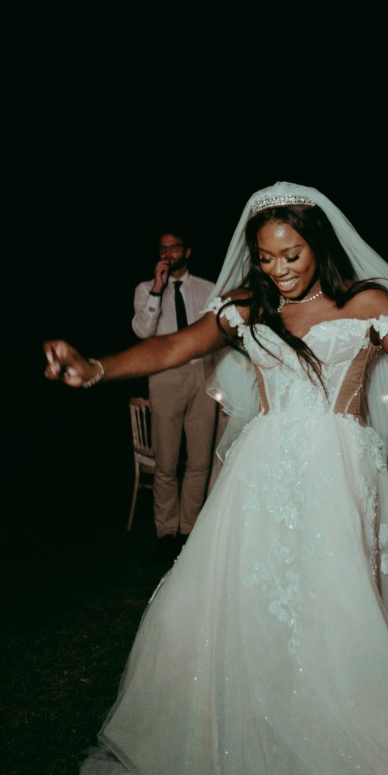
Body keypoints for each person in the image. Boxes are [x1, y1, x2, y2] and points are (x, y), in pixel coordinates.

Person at [46, 182, 388, 775]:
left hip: (341, 468)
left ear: (317, 244)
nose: (278, 270)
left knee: (339, 603)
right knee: (246, 600)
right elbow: (174, 346)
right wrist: (96, 369)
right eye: (267, 257)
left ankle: (337, 715)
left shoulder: (366, 302)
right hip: (262, 470)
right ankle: (258, 706)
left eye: (291, 256)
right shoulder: (248, 306)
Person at [131, 230, 217, 560]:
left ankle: (188, 530)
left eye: (175, 247)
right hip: (165, 377)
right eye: (163, 248)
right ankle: (166, 532)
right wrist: (157, 288)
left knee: (198, 460)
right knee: (166, 461)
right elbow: (142, 331)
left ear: (188, 251)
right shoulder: (145, 289)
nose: (168, 253)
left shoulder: (207, 289)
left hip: (201, 374)